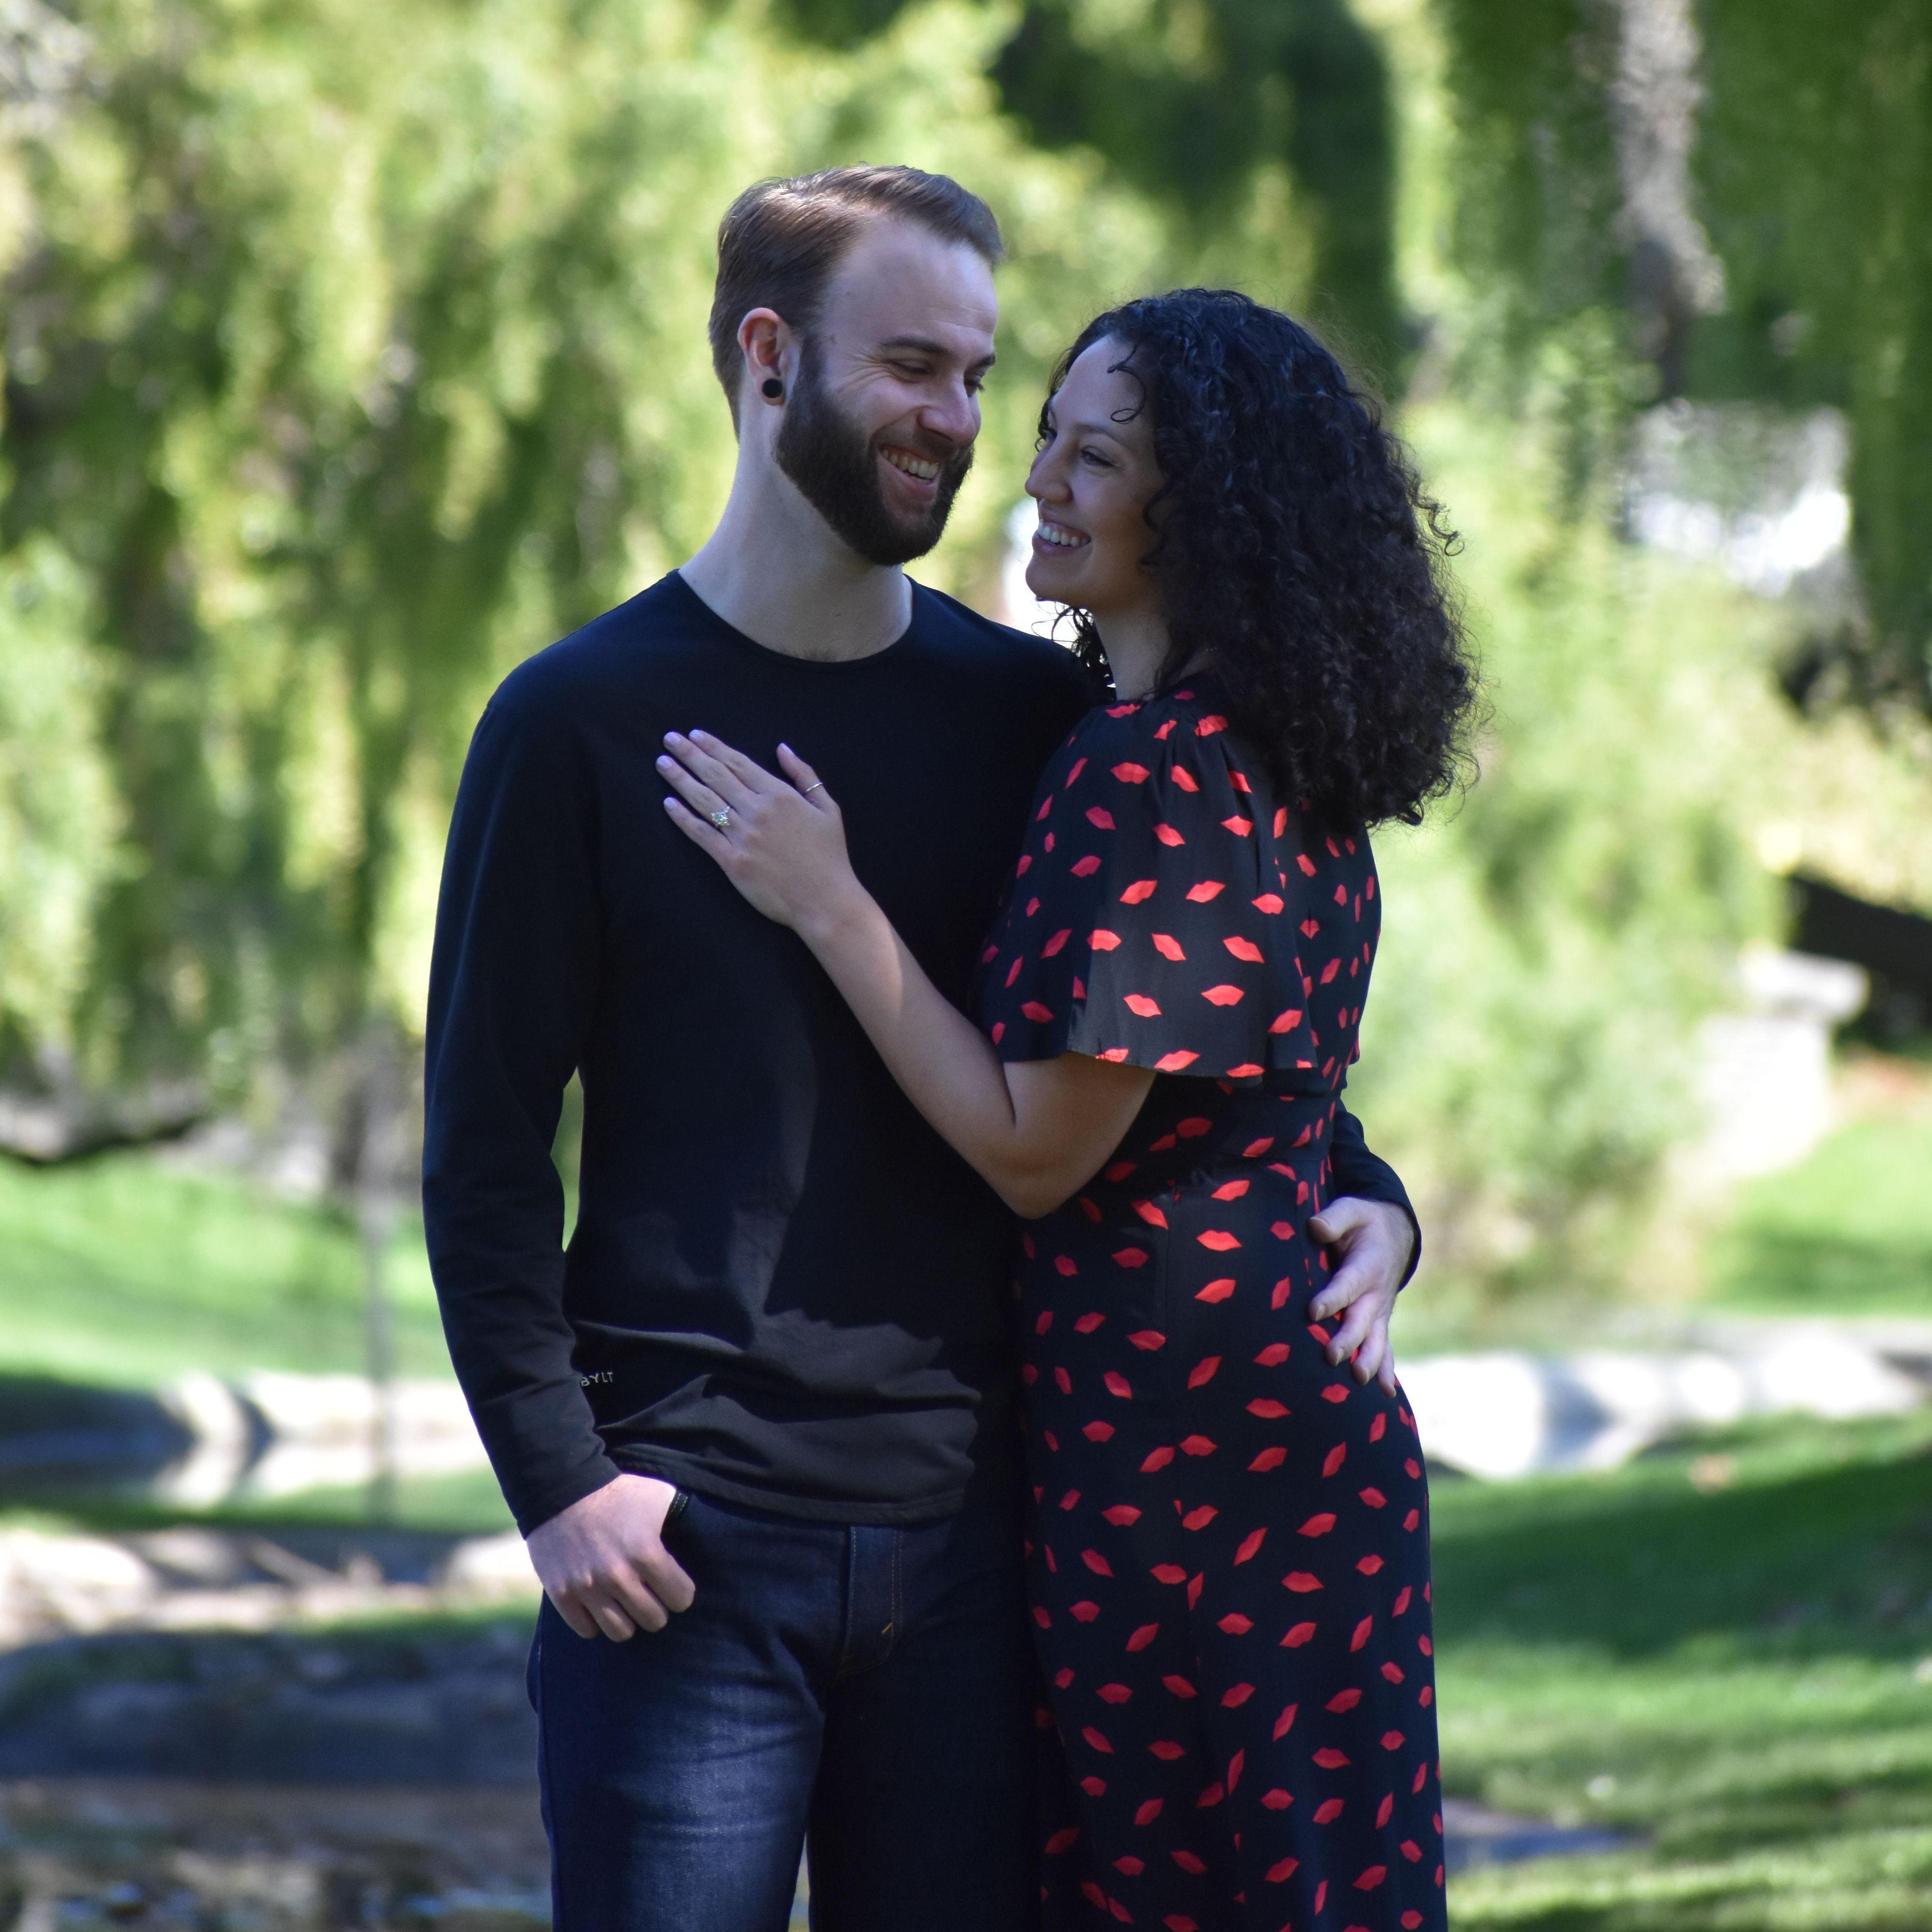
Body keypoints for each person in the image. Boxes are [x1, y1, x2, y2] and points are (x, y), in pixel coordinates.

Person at [425, 166, 1423, 1932]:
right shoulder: (573, 720)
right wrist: (562, 1482)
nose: (958, 423)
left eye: (977, 375)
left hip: (990, 1545)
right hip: (687, 1547)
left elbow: (1182, 1047)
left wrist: (1373, 1195)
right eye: (911, 366)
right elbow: (485, 1149)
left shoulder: (1040, 717)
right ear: (767, 358)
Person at [658, 288, 1475, 1930]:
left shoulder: (1155, 772)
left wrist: (825, 897)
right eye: (1044, 435)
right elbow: (1266, 1109)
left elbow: (1036, 1152)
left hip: (1192, 1475)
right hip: (1256, 1447)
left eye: (1092, 457)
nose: (1034, 476)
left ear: (1208, 512)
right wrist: (1387, 1211)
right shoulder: (1272, 762)